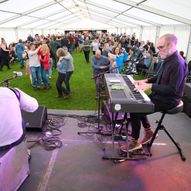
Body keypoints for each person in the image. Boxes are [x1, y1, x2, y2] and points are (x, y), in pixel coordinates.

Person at [121, 33, 188, 152]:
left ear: (171, 45)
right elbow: (159, 76)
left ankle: (134, 142)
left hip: (169, 100)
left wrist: (149, 86)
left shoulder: (178, 63)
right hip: (160, 95)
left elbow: (172, 90)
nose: (158, 50)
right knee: (139, 103)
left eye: (160, 47)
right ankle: (149, 132)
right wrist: (145, 80)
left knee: (135, 110)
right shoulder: (168, 59)